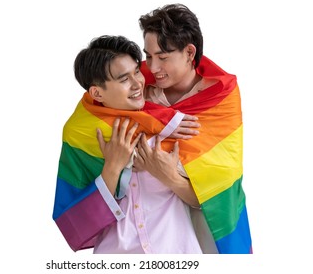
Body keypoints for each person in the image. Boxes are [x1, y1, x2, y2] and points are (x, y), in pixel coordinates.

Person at [52, 35, 203, 254]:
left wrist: (166, 174)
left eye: (137, 72)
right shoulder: (82, 137)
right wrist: (112, 167)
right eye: (124, 79)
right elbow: (74, 221)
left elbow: (211, 200)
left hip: (178, 254)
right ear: (97, 92)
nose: (137, 84)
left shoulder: (173, 124)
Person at [135, 3, 253, 254]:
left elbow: (217, 193)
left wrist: (166, 174)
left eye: (163, 57)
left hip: (204, 234)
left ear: (190, 52)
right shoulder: (136, 90)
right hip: (146, 232)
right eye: (148, 56)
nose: (153, 67)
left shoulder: (220, 98)